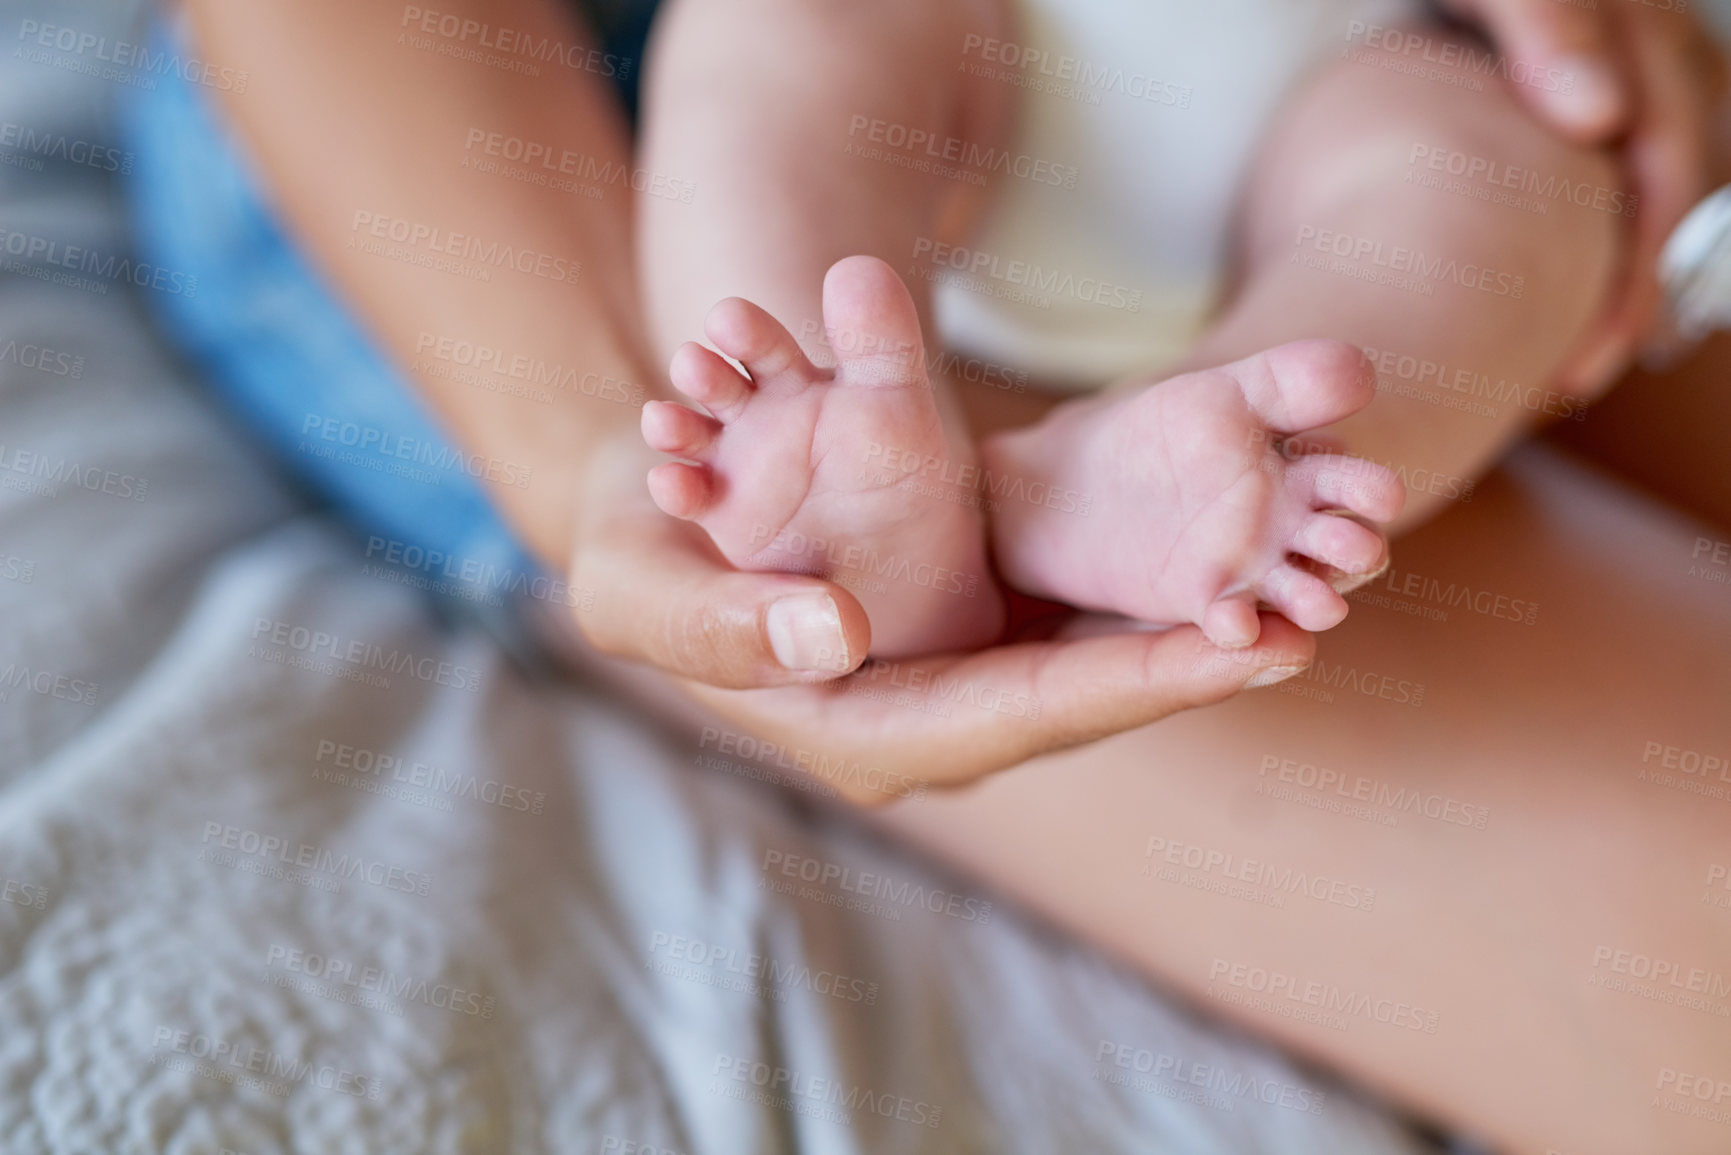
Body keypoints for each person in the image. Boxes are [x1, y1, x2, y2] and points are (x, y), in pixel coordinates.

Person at [143, 0, 1729, 1149]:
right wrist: (589, 465)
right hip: (573, 102)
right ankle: (820, 456)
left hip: (1364, 50)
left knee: (1490, 195)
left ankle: (1197, 456)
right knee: (801, 66)